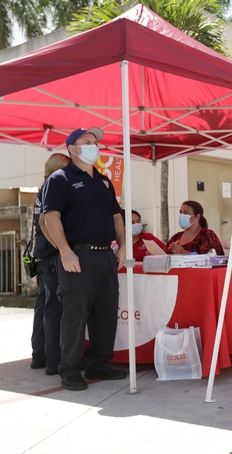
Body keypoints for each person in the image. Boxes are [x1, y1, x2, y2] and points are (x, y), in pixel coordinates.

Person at [41, 127, 127, 391]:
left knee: (105, 314)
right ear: (72, 148)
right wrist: (65, 251)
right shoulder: (60, 179)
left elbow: (116, 216)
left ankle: (98, 363)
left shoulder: (103, 181)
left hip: (105, 256)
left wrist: (123, 247)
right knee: (74, 316)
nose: (94, 146)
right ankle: (69, 369)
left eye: (95, 142)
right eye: (87, 142)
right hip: (77, 256)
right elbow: (50, 218)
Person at [30, 153, 70, 376]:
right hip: (52, 252)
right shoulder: (54, 188)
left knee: (43, 306)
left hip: (42, 252)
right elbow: (48, 222)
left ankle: (40, 356)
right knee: (54, 307)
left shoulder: (42, 189)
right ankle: (54, 361)